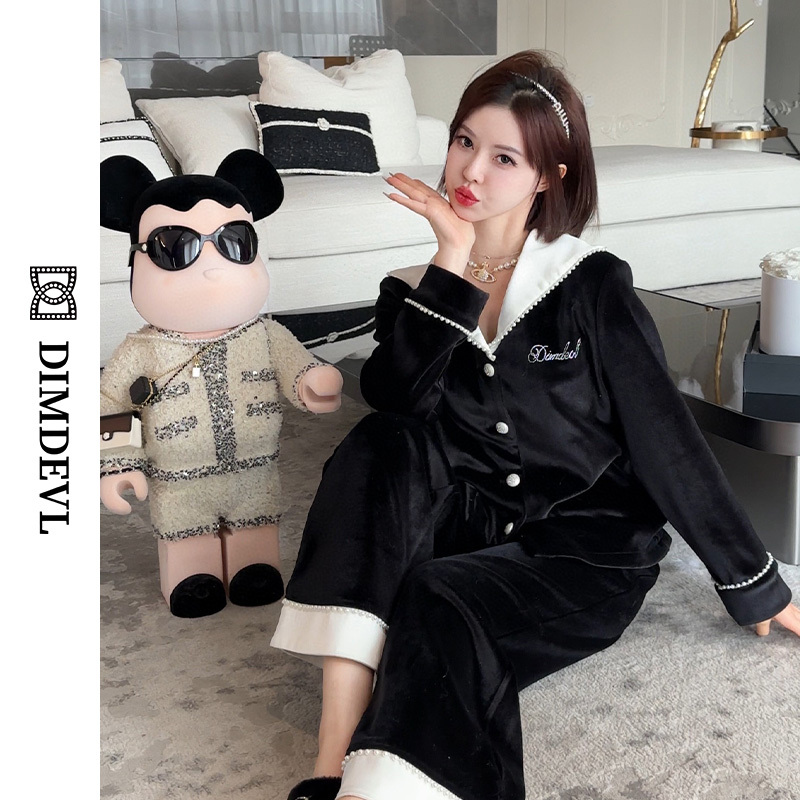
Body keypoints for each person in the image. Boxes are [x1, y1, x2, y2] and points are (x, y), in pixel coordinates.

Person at [272, 50, 800, 800]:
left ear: (548, 176)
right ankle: (330, 759)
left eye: (504, 157)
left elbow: (665, 438)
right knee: (378, 441)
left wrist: (754, 581)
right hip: (467, 519)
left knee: (441, 602)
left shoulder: (591, 285)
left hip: (583, 549)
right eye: (463, 141)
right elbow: (392, 399)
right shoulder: (415, 288)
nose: (470, 171)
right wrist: (452, 267)